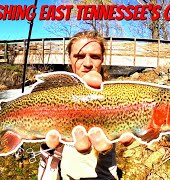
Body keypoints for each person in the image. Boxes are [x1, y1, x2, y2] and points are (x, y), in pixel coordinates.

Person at [41, 30, 134, 180]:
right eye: (79, 56)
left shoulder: (117, 98)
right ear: (70, 60)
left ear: (102, 59)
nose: (88, 63)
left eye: (95, 57)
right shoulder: (54, 96)